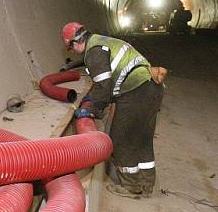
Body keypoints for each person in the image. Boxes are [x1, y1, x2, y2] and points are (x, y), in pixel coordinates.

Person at [62, 21, 164, 198]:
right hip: (152, 88)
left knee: (119, 140)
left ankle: (131, 186)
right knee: (142, 139)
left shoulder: (94, 52)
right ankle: (146, 184)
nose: (73, 52)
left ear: (75, 43)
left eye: (71, 48)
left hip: (135, 92)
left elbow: (103, 86)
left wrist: (92, 108)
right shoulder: (102, 41)